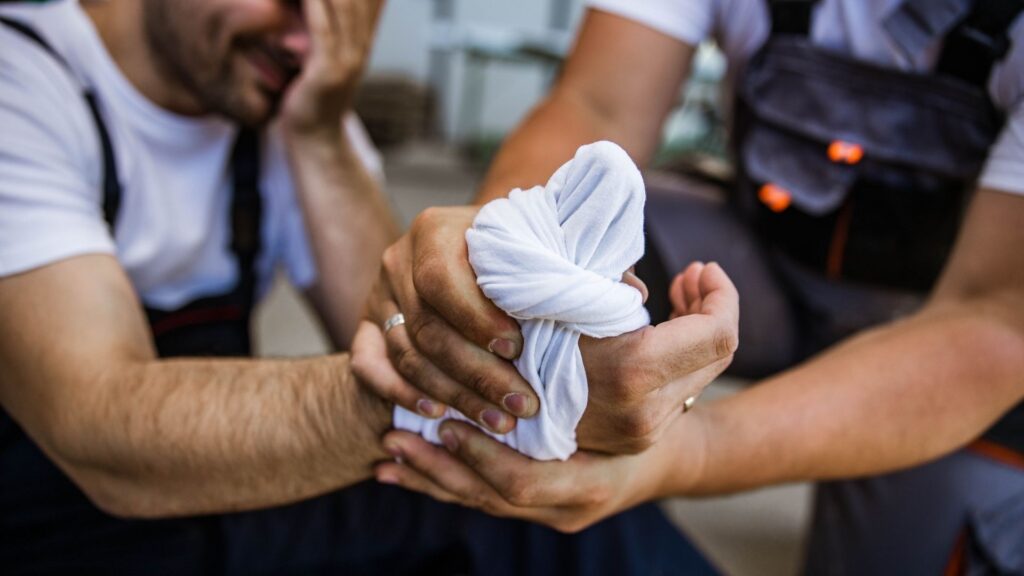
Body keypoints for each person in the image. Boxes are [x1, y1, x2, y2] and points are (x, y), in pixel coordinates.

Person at [0, 1, 731, 574]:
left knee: (540, 509)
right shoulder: (23, 85)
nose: (307, 41)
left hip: (219, 505)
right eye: (288, 2)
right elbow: (97, 431)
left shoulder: (287, 95)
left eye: (350, 17)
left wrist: (317, 135)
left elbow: (395, 323)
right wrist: (459, 397)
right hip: (57, 523)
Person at [361, 0, 1024, 573]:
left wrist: (690, 450)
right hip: (756, 261)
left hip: (949, 317)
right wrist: (506, 260)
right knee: (541, 377)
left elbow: (996, 314)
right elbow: (597, 104)